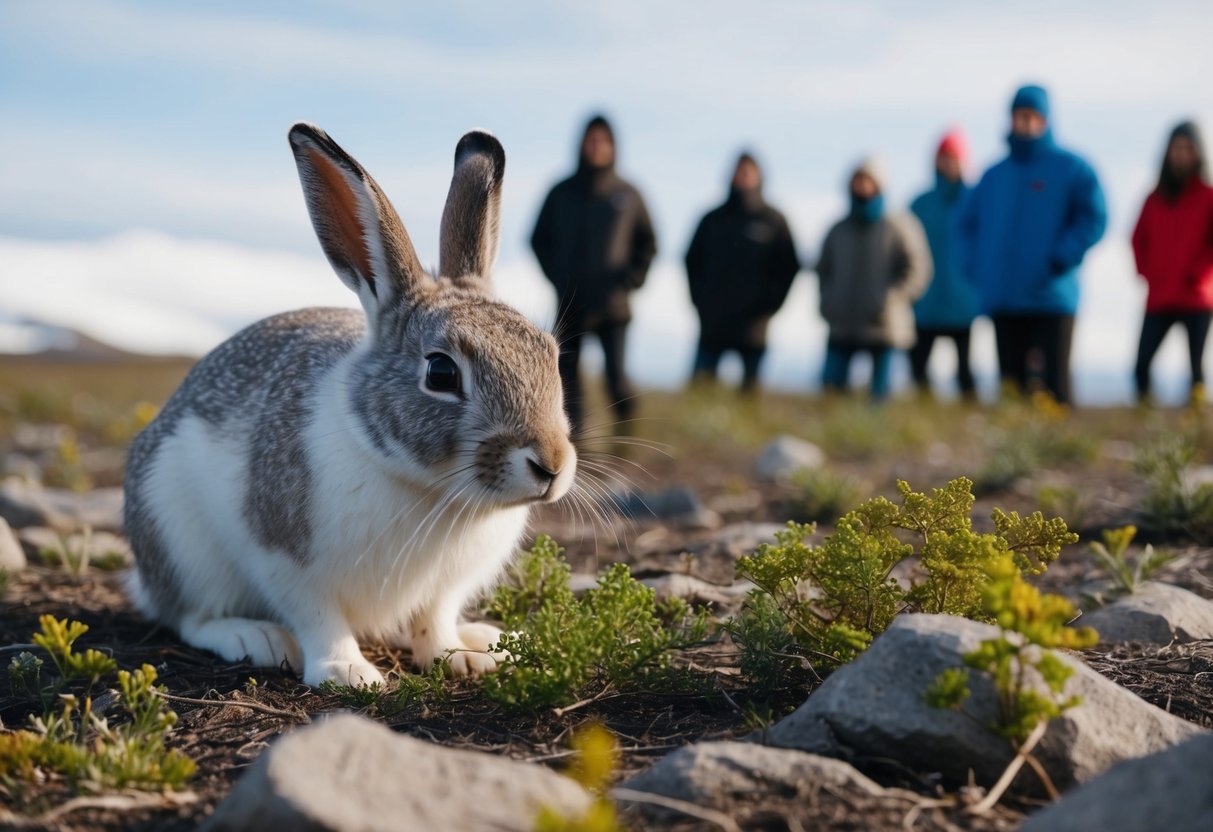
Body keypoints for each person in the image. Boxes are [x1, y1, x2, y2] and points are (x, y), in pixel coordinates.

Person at [958, 84, 1107, 405]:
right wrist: (977, 270)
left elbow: (1095, 216)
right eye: (1019, 116)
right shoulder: (993, 175)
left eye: (1032, 116)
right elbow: (966, 227)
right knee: (1012, 386)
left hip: (1051, 295)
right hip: (1005, 296)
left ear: (1046, 120)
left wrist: (1062, 255)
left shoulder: (1072, 168)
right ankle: (1014, 452)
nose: (1025, 123)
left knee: (1055, 388)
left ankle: (1063, 451)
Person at [531, 115, 657, 432]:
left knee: (617, 376)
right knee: (568, 378)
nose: (597, 146)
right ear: (582, 144)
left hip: (615, 305)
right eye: (591, 140)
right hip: (571, 301)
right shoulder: (561, 192)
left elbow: (649, 242)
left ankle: (627, 435)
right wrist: (558, 276)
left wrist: (631, 279)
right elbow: (538, 239)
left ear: (613, 146)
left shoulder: (628, 194)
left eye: (603, 140)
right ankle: (577, 443)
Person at [816, 157, 932, 401]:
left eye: (867, 180)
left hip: (885, 324)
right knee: (831, 390)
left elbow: (918, 269)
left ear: (879, 185)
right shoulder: (838, 230)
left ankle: (876, 436)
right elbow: (822, 269)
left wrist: (892, 299)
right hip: (842, 323)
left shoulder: (900, 226)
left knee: (879, 397)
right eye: (857, 180)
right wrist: (828, 300)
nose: (862, 186)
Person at [684, 152, 800, 391]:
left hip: (754, 327)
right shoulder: (712, 220)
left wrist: (770, 306)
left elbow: (789, 266)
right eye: (739, 171)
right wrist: (700, 301)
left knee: (749, 395)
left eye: (749, 171)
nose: (743, 176)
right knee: (700, 391)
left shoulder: (774, 221)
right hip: (713, 323)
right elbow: (691, 260)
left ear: (759, 176)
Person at [1131, 121, 1213, 405]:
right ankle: (1145, 415)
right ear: (1167, 153)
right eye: (1176, 148)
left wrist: (1199, 274)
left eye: (1188, 148)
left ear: (1198, 153)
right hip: (1161, 294)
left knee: (1195, 368)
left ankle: (1197, 421)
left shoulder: (1208, 197)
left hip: (1196, 297)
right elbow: (1137, 238)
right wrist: (1147, 272)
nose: (1181, 155)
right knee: (1141, 365)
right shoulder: (1154, 199)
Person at [909, 129, 979, 399]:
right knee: (918, 368)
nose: (948, 164)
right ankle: (926, 412)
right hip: (925, 301)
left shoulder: (975, 201)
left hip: (964, 301)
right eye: (943, 157)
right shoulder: (920, 204)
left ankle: (968, 412)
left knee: (964, 370)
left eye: (954, 157)